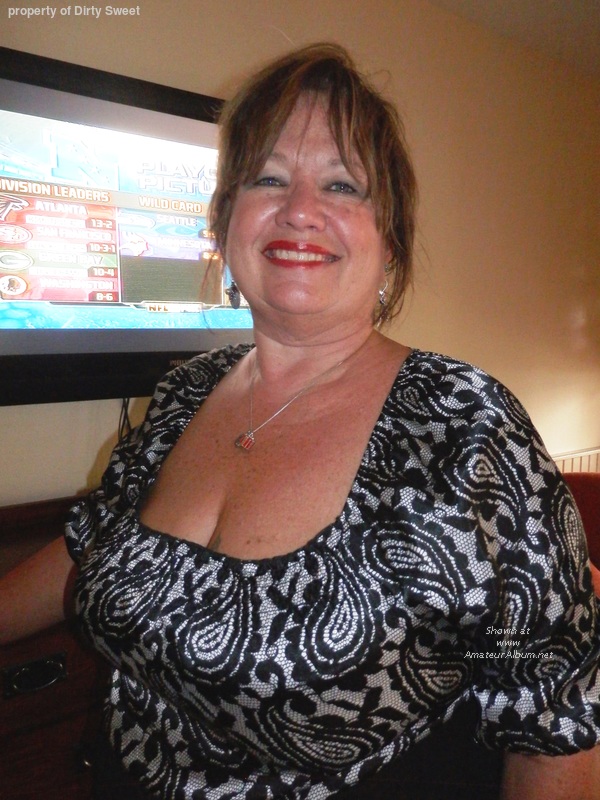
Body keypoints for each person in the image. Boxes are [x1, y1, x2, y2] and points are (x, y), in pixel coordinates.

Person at [1, 43, 599, 800]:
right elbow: (95, 540)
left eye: (342, 185)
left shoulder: (470, 427)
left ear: (390, 240)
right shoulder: (184, 392)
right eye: (269, 178)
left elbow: (554, 725)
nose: (300, 210)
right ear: (225, 220)